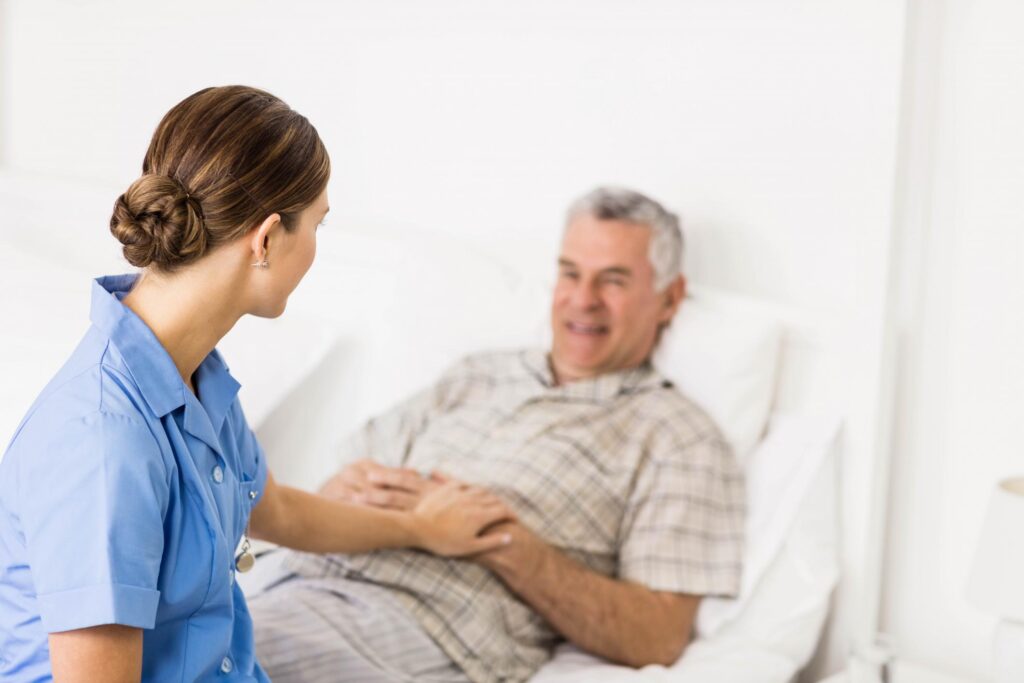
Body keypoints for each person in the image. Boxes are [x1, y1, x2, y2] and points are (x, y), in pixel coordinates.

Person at [0, 85, 514, 683]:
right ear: (267, 238)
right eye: (318, 224)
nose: (317, 248)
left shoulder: (195, 379)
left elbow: (279, 512)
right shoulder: (102, 440)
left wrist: (421, 528)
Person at [249, 187, 746, 683]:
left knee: (210, 660)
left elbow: (655, 636)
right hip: (296, 578)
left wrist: (495, 537)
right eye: (570, 273)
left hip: (422, 624)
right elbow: (339, 481)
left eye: (612, 281)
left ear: (669, 298)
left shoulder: (676, 435)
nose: (583, 299)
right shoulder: (478, 375)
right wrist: (348, 491)